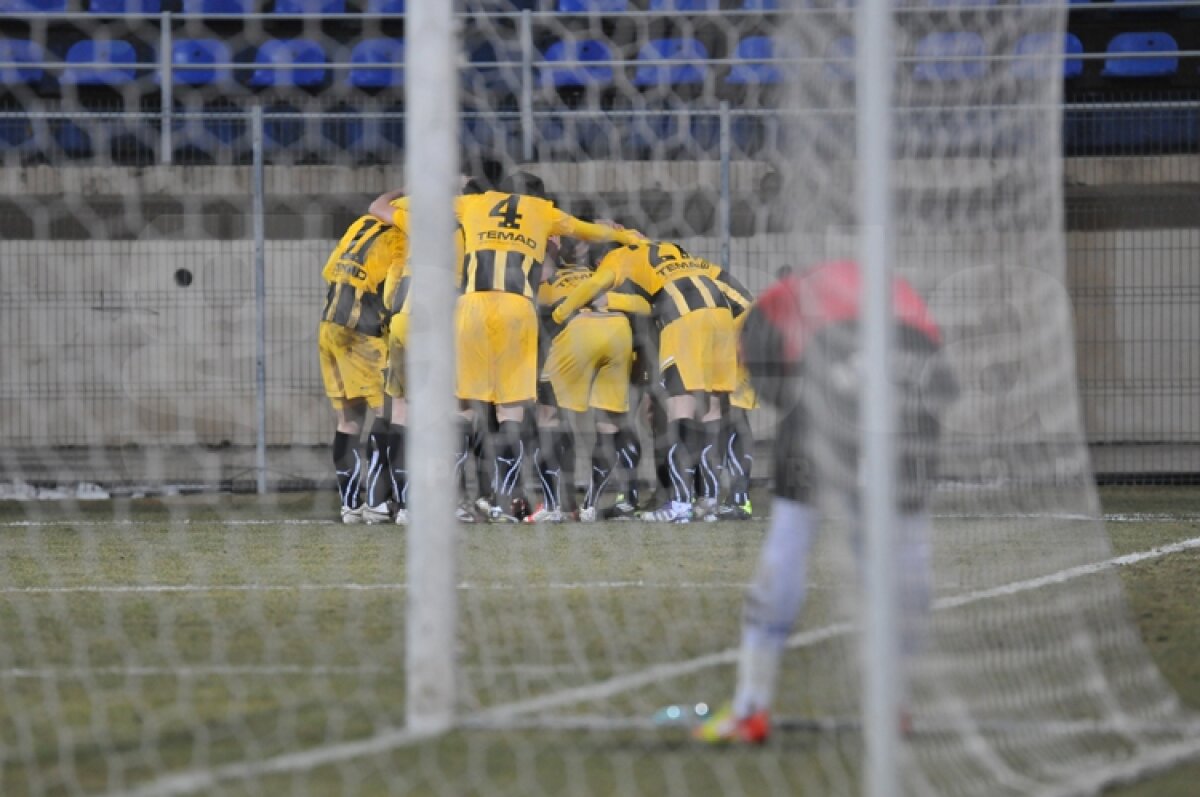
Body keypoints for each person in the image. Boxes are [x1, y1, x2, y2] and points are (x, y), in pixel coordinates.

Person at [694, 259, 956, 743]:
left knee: (790, 541)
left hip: (832, 399)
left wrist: (799, 403)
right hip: (909, 401)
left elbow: (760, 358)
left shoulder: (784, 299)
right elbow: (943, 383)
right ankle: (893, 704)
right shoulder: (895, 292)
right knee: (901, 557)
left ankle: (751, 705)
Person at [533, 237, 650, 522]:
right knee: (609, 423)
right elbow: (643, 305)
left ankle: (553, 506)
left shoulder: (545, 278)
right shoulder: (604, 276)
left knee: (549, 417)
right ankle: (590, 506)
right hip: (619, 330)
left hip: (578, 330)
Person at [318, 207, 408, 524]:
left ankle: (351, 506)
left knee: (348, 422)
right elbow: (393, 294)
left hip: (329, 326)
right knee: (391, 415)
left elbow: (329, 270)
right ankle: (379, 502)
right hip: (362, 334)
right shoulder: (400, 239)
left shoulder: (361, 225)